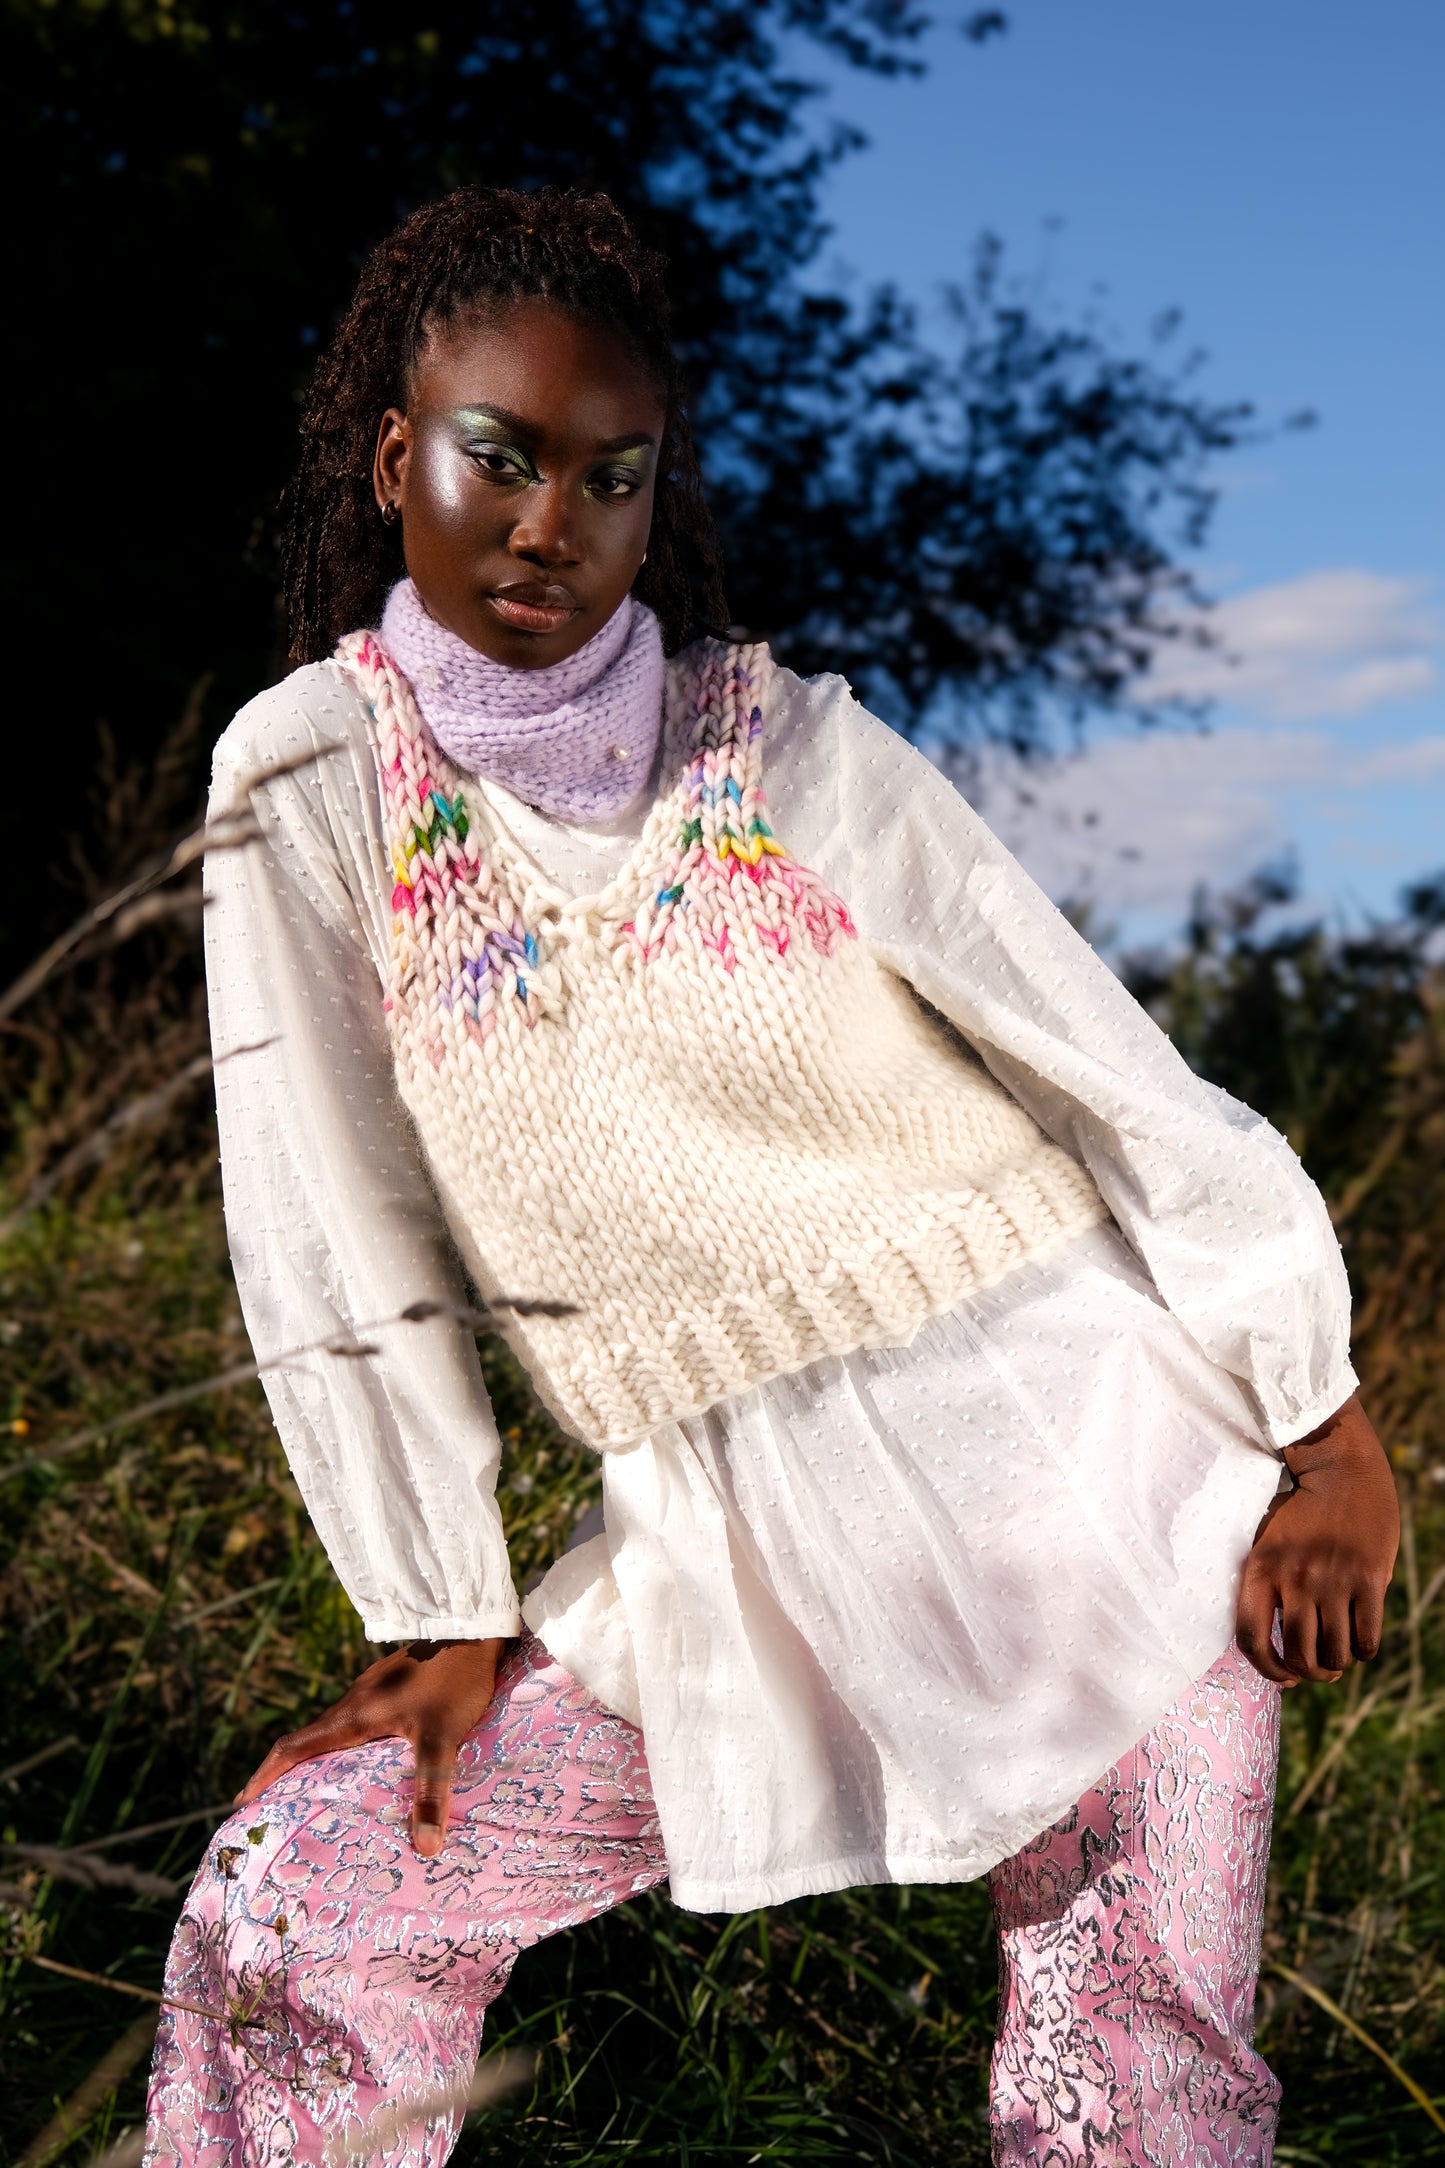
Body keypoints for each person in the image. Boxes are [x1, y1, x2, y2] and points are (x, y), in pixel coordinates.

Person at [143, 186, 1399, 2168]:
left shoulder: (787, 750)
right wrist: (438, 1602)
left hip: (1105, 1470)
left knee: (1129, 2090)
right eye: (502, 456)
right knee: (312, 1892)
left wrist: (1325, 1429)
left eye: (612, 477)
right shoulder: (312, 778)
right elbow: (327, 1220)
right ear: (398, 459)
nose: (554, 519)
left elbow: (1113, 1074)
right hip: (727, 1539)